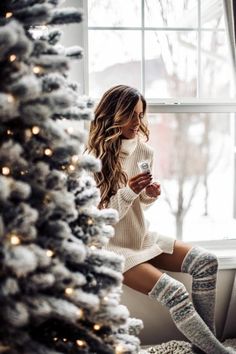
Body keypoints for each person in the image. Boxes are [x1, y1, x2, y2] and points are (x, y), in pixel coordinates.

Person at [87, 84, 235, 354]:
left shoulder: (145, 152)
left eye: (140, 115)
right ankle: (218, 352)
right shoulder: (92, 159)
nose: (137, 122)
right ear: (113, 115)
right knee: (175, 293)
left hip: (139, 236)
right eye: (131, 114)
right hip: (112, 248)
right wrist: (130, 191)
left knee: (206, 262)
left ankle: (206, 348)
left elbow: (138, 204)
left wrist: (148, 195)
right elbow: (100, 220)